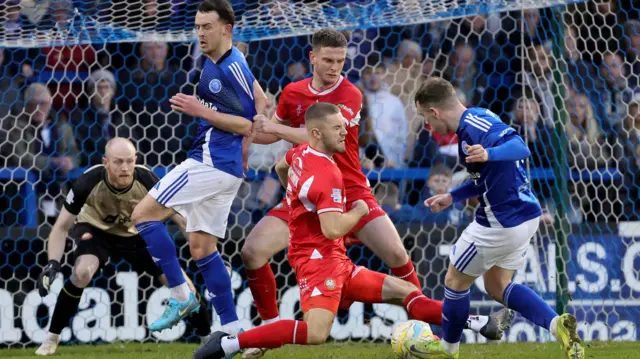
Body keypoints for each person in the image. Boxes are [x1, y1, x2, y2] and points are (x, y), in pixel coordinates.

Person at [193, 103, 505, 359]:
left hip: (332, 259)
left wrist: (298, 201)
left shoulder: (301, 152)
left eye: (345, 125)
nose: (345, 131)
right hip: (319, 263)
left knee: (407, 291)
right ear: (317, 133)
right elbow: (331, 229)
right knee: (315, 334)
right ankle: (227, 344)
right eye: (337, 128)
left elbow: (281, 168)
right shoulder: (328, 174)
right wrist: (358, 209)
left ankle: (479, 323)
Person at [241, 31, 444, 356]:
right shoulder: (293, 93)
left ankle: (424, 334)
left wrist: (275, 129)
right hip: (306, 197)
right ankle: (268, 330)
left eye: (341, 60)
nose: (336, 67)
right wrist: (252, 129)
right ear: (313, 58)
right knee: (252, 252)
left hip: (350, 193)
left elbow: (313, 138)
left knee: (396, 255)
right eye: (329, 60)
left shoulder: (350, 93)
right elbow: (270, 132)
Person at [412, 77, 584, 359]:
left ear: (434, 111)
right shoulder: (475, 122)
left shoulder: (474, 126)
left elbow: (520, 146)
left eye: (425, 118)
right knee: (497, 286)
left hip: (500, 222)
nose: (428, 126)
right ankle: (557, 325)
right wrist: (452, 196)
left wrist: (489, 152)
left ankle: (447, 349)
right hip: (525, 216)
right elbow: (482, 179)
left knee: (455, 281)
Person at [130, 0, 268, 335]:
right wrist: (245, 153)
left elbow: (245, 123)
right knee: (202, 248)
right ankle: (235, 332)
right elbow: (261, 102)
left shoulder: (227, 67)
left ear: (227, 29)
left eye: (207, 26)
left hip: (210, 161)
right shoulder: (230, 62)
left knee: (143, 215)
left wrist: (198, 110)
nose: (200, 33)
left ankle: (181, 295)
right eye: (197, 26)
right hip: (227, 169)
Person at [35, 138, 212, 356]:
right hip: (97, 230)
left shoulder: (148, 180)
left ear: (136, 160)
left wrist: (206, 256)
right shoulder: (87, 181)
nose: (125, 168)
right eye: (118, 162)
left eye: (129, 161)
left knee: (184, 286)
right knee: (81, 273)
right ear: (105, 162)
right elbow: (61, 227)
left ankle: (208, 340)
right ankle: (52, 338)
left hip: (137, 235)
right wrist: (53, 263)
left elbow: (182, 220)